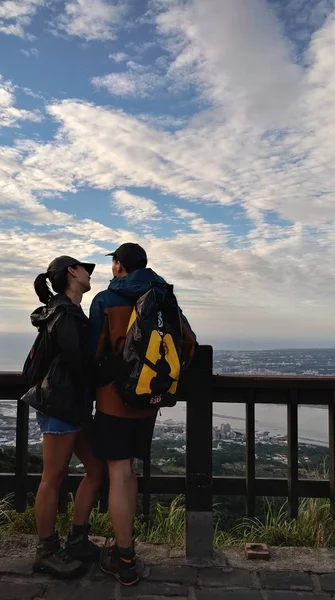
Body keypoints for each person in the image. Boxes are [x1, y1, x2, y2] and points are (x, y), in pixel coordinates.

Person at [90, 243, 196, 586]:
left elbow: (94, 353)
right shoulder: (164, 297)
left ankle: (124, 557)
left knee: (118, 474)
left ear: (118, 265)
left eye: (114, 263)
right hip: (149, 401)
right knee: (129, 473)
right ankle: (125, 547)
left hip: (113, 401)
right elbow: (188, 343)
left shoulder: (106, 300)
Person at [22, 256, 105, 578]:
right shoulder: (65, 314)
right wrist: (108, 374)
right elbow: (77, 362)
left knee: (96, 469)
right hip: (60, 404)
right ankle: (46, 550)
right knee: (52, 478)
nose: (88, 274)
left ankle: (77, 539)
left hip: (75, 406)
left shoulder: (67, 311)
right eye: (85, 269)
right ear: (72, 272)